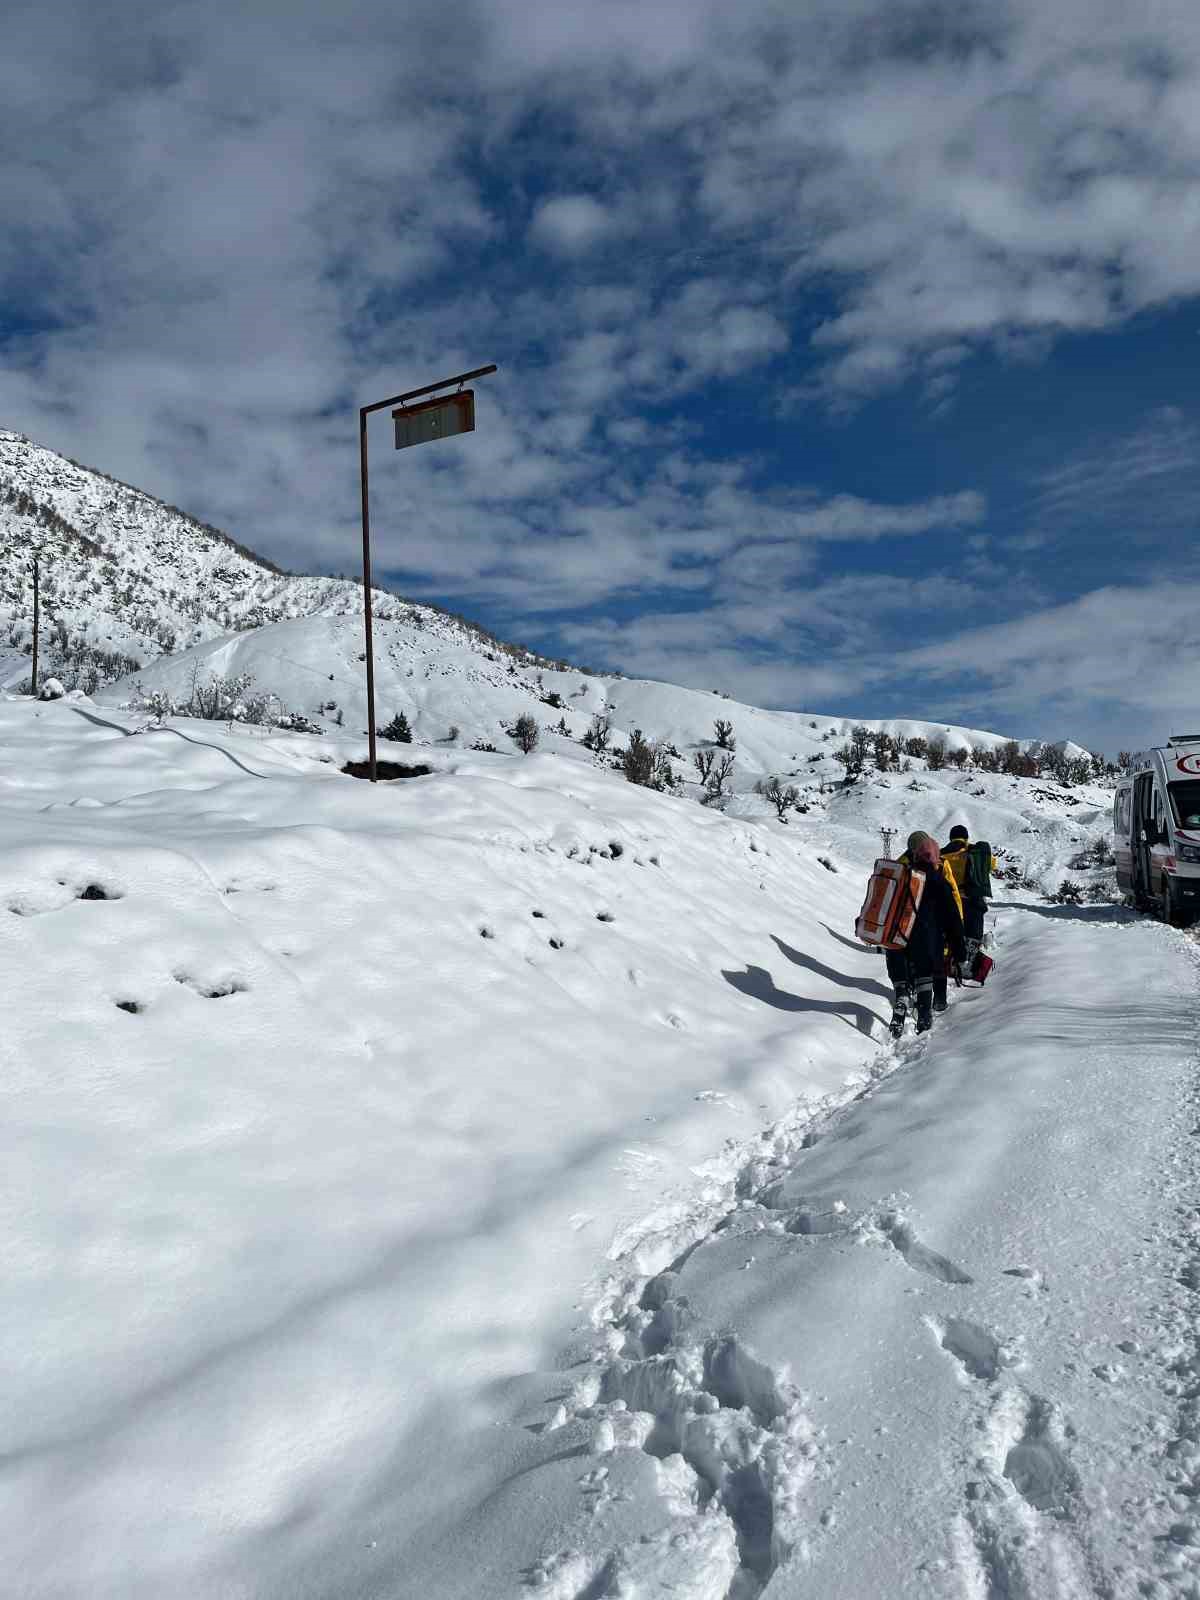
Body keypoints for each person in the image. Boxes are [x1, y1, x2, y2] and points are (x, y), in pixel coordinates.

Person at [887, 832, 966, 1036]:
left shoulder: (899, 874)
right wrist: (959, 950)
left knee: (900, 974)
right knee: (924, 974)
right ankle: (923, 1016)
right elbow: (952, 918)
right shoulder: (937, 879)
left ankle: (902, 997)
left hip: (896, 938)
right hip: (925, 938)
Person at [941, 824, 997, 970]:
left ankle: (948, 960)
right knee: (973, 933)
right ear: (966, 837)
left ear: (951, 838)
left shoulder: (942, 854)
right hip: (972, 899)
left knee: (952, 931)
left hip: (950, 900)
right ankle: (969, 963)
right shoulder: (975, 851)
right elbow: (991, 865)